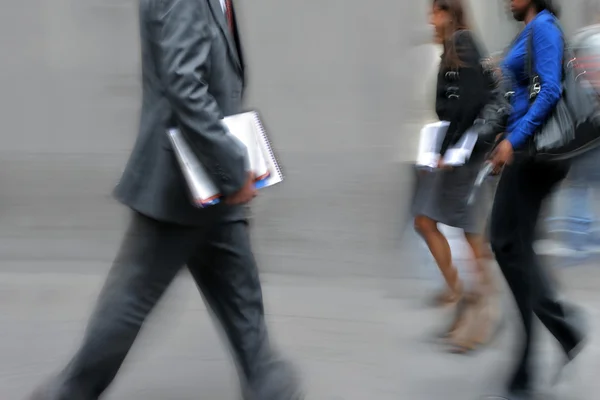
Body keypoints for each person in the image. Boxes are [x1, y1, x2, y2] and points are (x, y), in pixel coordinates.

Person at [30, 0, 302, 399]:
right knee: (130, 302)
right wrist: (231, 164)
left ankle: (269, 384)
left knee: (244, 307)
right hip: (180, 184)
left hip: (210, 186)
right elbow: (184, 87)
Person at [487, 0, 587, 398]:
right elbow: (527, 93)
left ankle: (551, 338)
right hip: (525, 150)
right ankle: (550, 340)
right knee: (512, 247)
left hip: (535, 154)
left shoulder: (544, 26)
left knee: (508, 244)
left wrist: (514, 138)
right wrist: (504, 137)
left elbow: (549, 90)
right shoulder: (532, 28)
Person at [412, 0, 500, 354]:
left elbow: (468, 104)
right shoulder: (453, 47)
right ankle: (466, 301)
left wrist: (445, 150)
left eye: (435, 12)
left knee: (468, 236)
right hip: (456, 153)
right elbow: (451, 105)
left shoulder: (462, 43)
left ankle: (480, 312)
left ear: (449, 13)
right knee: (438, 225)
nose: (430, 19)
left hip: (465, 155)